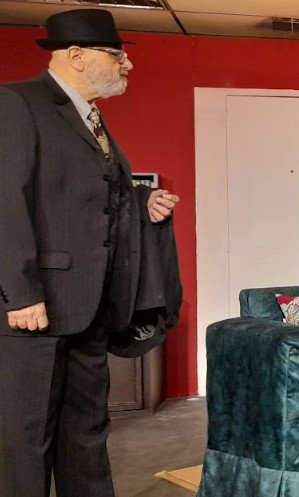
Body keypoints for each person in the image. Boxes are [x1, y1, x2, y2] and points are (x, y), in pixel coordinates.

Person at [0, 9, 180, 497]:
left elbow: (95, 197)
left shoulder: (92, 118)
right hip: (36, 309)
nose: (127, 64)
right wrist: (21, 294)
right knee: (26, 440)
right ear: (76, 55)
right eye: (116, 55)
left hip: (91, 304)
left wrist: (144, 202)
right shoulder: (17, 103)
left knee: (86, 434)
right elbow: (6, 202)